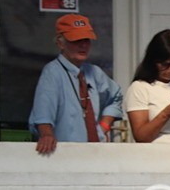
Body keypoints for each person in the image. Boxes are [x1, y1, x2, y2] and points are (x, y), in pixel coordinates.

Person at [28, 14, 124, 154]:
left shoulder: (94, 73)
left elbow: (116, 96)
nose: (83, 45)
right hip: (66, 154)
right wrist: (46, 135)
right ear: (61, 43)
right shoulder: (53, 72)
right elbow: (43, 112)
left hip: (96, 152)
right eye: (76, 40)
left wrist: (103, 126)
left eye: (86, 40)